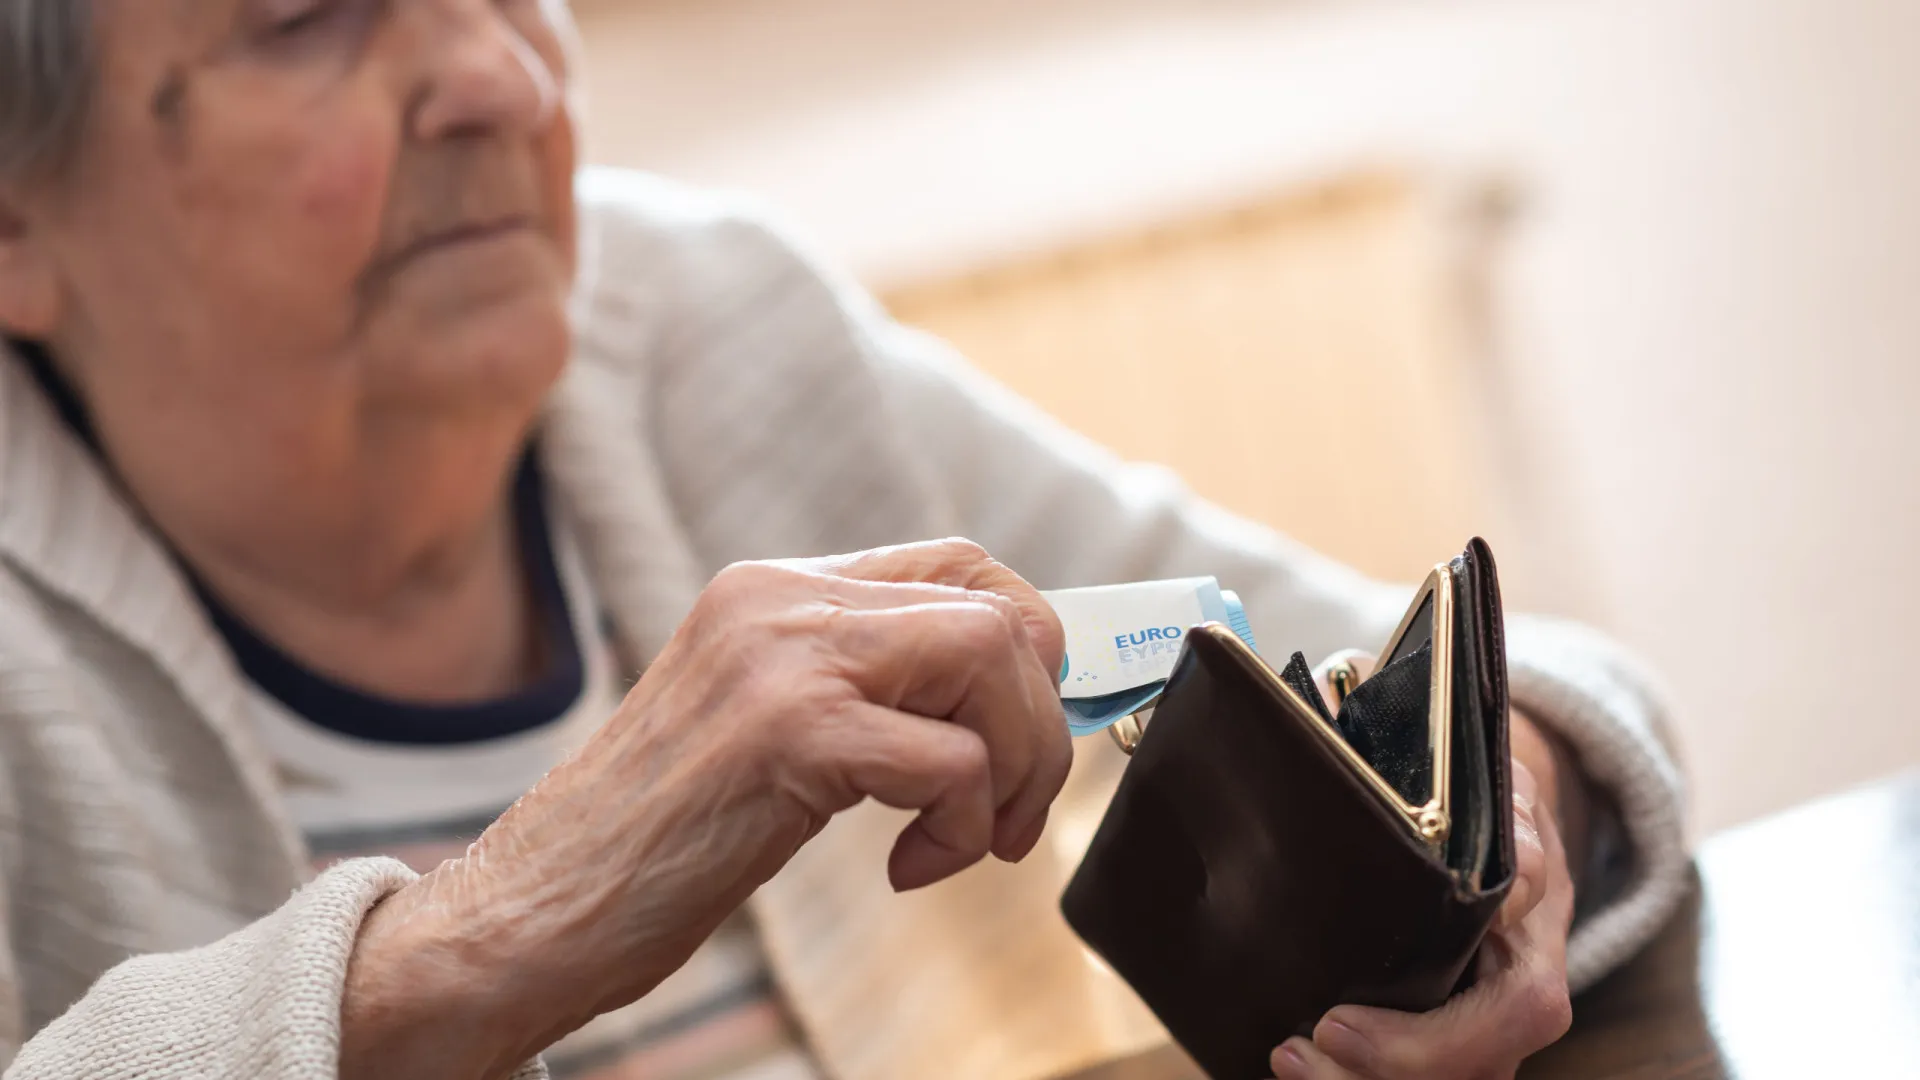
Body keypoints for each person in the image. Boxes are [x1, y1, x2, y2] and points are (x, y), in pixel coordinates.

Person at [0, 2, 1687, 1078]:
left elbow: (1515, 690)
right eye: (308, 17)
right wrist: (488, 938)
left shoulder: (707, 321)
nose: (502, 78)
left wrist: (1512, 816)